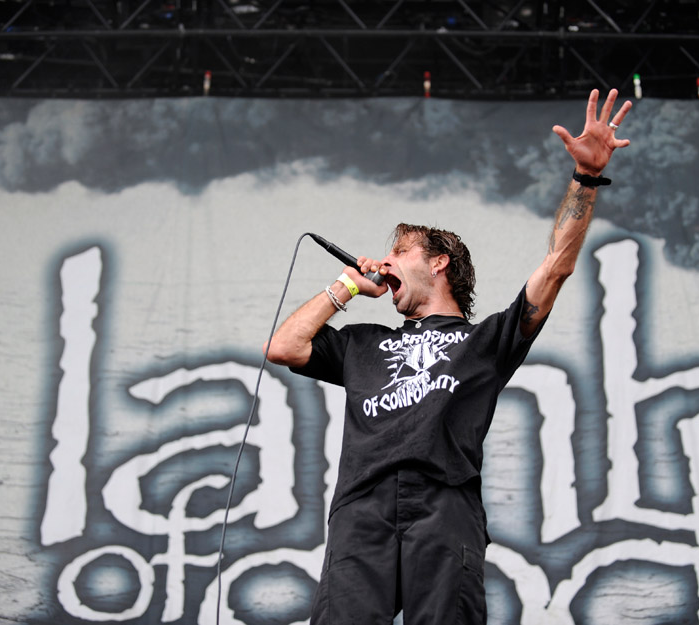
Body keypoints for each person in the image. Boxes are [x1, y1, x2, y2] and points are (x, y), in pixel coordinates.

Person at [266, 88, 633, 625]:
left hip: (443, 505)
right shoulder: (363, 342)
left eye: (399, 253)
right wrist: (346, 285)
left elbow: (555, 266)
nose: (384, 263)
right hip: (360, 508)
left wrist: (586, 179)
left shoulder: (486, 340)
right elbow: (284, 347)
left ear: (438, 263)